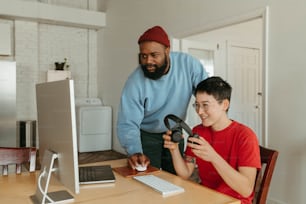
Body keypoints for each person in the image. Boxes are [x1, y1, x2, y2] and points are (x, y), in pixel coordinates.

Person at [117, 25, 208, 174]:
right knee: (146, 176)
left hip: (174, 131)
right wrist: (134, 151)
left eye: (154, 55)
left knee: (177, 176)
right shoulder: (135, 81)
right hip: (147, 134)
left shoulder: (188, 65)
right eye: (143, 56)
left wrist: (213, 125)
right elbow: (128, 122)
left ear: (167, 51)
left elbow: (207, 94)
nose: (148, 61)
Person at [163, 76, 261, 204]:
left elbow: (246, 190)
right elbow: (185, 173)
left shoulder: (245, 136)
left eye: (205, 105)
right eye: (197, 105)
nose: (199, 111)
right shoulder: (198, 132)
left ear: (224, 105)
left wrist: (213, 157)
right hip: (206, 196)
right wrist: (174, 149)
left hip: (234, 201)